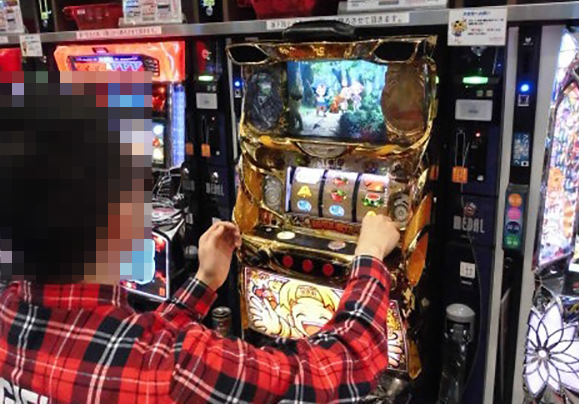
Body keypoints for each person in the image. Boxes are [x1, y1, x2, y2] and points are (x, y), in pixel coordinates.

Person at [0, 78, 399, 403]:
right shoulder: (174, 369)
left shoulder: (9, 310)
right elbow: (345, 366)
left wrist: (204, 282)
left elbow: (124, 345)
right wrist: (369, 255)